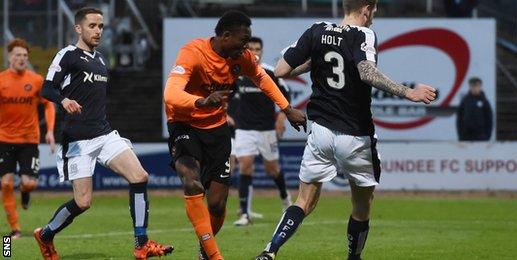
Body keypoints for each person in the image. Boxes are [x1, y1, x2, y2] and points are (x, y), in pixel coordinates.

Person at [254, 0, 437, 259]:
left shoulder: (316, 30)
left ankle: (269, 251)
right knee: (362, 205)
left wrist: (315, 60)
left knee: (303, 201)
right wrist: (408, 92)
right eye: (374, 9)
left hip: (319, 131)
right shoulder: (364, 34)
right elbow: (366, 71)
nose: (374, 14)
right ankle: (354, 257)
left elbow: (282, 70)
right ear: (366, 9)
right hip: (355, 134)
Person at [163, 11, 306, 260]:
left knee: (217, 205)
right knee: (191, 180)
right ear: (226, 36)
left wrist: (286, 108)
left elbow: (262, 78)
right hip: (184, 125)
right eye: (243, 40)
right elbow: (170, 93)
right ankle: (214, 256)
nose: (247, 47)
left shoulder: (242, 58)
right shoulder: (193, 52)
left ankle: (204, 249)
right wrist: (200, 101)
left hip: (217, 131)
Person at [35, 7, 173, 260]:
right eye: (92, 26)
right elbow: (46, 88)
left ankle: (142, 244)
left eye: (101, 26)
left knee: (140, 176)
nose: (98, 31)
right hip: (77, 140)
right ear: (78, 28)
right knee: (83, 203)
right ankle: (45, 235)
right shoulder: (67, 55)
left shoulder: (100, 60)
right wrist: (64, 101)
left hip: (104, 134)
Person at [231, 36, 293, 226]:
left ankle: (285, 200)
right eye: (251, 49)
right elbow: (228, 95)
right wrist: (226, 114)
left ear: (262, 51)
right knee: (245, 165)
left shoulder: (270, 72)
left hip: (266, 129)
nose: (255, 52)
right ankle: (244, 214)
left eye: (258, 49)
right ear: (245, 51)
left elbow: (286, 94)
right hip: (244, 128)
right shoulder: (237, 72)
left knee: (272, 170)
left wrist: (282, 118)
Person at [0, 38, 56, 239]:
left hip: (29, 140)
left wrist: (50, 131)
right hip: (4, 140)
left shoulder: (36, 80)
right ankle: (15, 228)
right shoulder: (1, 80)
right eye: (18, 55)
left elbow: (48, 105)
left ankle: (25, 193)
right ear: (9, 57)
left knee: (29, 184)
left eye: (25, 55)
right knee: (5, 184)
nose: (22, 58)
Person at [456, 77, 493, 141]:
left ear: (480, 87)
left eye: (477, 86)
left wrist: (487, 136)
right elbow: (459, 119)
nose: (475, 88)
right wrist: (461, 135)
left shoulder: (484, 101)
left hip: (481, 136)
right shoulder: (465, 101)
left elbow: (489, 120)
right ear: (470, 87)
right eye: (472, 86)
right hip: (466, 136)